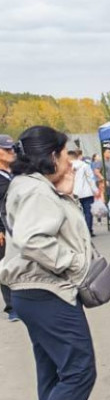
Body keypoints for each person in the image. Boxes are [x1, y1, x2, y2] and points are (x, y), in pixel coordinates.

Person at [3, 127, 107, 400]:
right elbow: (33, 240)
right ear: (50, 155)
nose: (71, 161)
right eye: (66, 155)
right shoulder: (35, 191)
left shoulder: (33, 187)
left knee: (54, 372)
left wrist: (63, 193)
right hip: (47, 291)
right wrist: (75, 265)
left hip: (35, 292)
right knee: (79, 370)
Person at [0, 135, 17, 322]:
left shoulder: (14, 172)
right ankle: (12, 307)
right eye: (6, 149)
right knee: (5, 265)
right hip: (2, 229)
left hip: (18, 225)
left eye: (12, 148)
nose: (11, 152)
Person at [69, 150, 100, 236]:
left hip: (73, 193)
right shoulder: (85, 165)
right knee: (88, 213)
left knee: (77, 213)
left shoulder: (68, 167)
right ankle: (88, 230)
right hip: (87, 193)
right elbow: (90, 179)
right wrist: (95, 190)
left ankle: (79, 232)